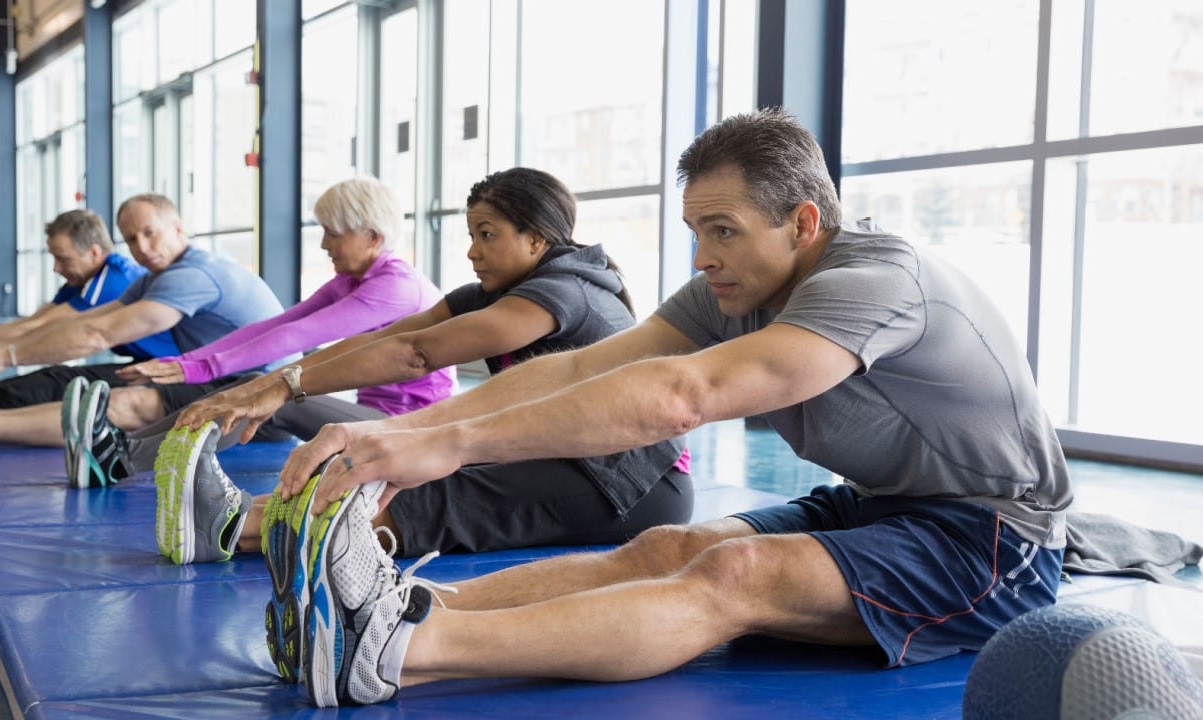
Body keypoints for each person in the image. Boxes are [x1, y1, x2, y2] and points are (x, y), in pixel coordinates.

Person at [269, 108, 1073, 708]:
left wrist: (456, 446)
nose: (702, 257)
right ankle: (383, 609)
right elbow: (579, 369)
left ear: (803, 223)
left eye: (721, 230)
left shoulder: (875, 285)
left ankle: (398, 651)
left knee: (736, 570)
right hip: (886, 507)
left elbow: (687, 394)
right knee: (664, 547)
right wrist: (403, 434)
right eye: (694, 230)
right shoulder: (735, 284)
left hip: (996, 540)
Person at [160, 167, 691, 683]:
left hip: (627, 483)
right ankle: (234, 517)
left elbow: (416, 353)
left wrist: (281, 388)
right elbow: (383, 339)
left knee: (438, 496)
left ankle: (231, 530)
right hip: (553, 450)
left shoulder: (564, 292)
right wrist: (277, 380)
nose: (472, 251)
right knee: (376, 469)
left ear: (537, 239)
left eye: (487, 235)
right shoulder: (496, 290)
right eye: (470, 235)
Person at [62, 176, 453, 488]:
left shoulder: (395, 287)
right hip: (378, 415)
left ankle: (120, 460)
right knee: (258, 385)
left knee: (277, 397)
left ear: (372, 237)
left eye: (334, 233)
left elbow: (297, 337)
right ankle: (120, 448)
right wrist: (189, 363)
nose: (323, 244)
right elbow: (278, 324)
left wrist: (199, 370)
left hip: (409, 428)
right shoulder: (354, 279)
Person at [0, 194, 293, 467]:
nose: (142, 247)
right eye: (132, 239)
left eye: (150, 233)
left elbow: (96, 335)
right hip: (199, 373)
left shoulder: (191, 275)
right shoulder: (153, 277)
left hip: (257, 395)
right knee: (68, 380)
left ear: (178, 228)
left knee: (121, 403)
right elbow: (72, 324)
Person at [0, 209, 166, 372]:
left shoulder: (112, 281)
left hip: (170, 368)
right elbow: (31, 321)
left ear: (93, 253)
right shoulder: (83, 279)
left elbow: (41, 329)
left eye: (63, 259)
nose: (56, 268)